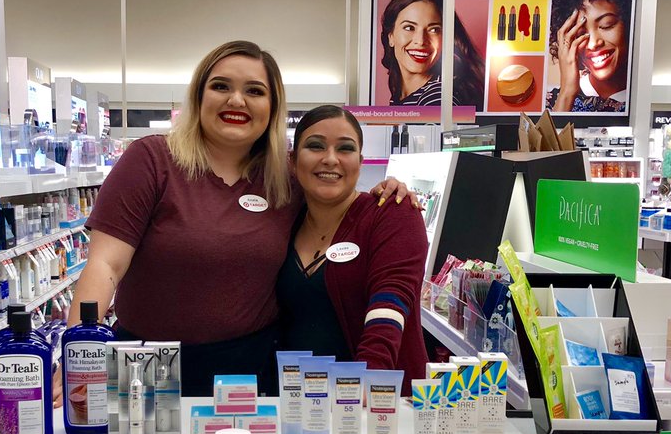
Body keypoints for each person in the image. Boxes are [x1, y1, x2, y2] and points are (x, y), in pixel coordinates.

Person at [58, 40, 414, 399]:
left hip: (251, 371)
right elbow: (105, 265)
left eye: (255, 91)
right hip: (147, 365)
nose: (237, 101)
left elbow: (339, 203)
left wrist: (388, 193)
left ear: (272, 108)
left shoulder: (284, 181)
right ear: (199, 96)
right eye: (221, 86)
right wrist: (78, 360)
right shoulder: (152, 161)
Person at [277, 105, 428, 386]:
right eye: (315, 146)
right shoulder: (285, 220)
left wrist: (366, 382)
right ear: (293, 160)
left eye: (345, 149)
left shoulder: (392, 212)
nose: (330, 159)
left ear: (360, 160)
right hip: (298, 404)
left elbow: (390, 304)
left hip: (374, 404)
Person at [380, 0, 485, 109]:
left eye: (433, 30)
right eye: (409, 28)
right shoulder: (400, 95)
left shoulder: (436, 98)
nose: (420, 41)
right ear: (391, 36)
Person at [546, 0, 631, 113]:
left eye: (606, 25)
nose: (593, 44)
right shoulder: (551, 103)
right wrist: (566, 94)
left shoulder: (642, 100)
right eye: (580, 34)